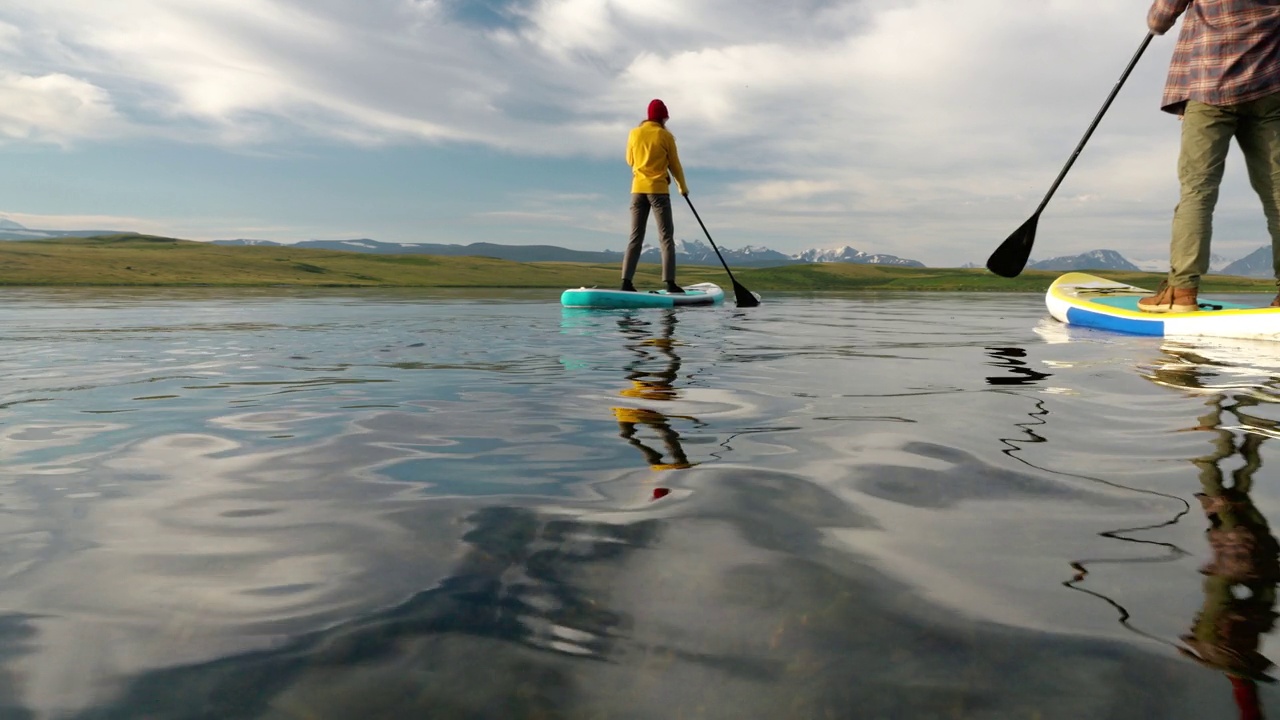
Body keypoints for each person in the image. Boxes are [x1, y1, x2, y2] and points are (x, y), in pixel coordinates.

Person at [1139, 0, 1280, 313]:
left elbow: (1159, 19)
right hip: (1270, 89)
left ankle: (1181, 293)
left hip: (1209, 88)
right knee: (1278, 194)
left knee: (1197, 192)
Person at [621, 99, 688, 294]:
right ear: (663, 117)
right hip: (658, 191)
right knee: (666, 237)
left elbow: (630, 160)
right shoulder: (665, 136)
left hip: (637, 190)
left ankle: (626, 282)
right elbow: (675, 165)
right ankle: (670, 283)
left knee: (635, 237)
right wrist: (682, 188)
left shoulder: (634, 133)